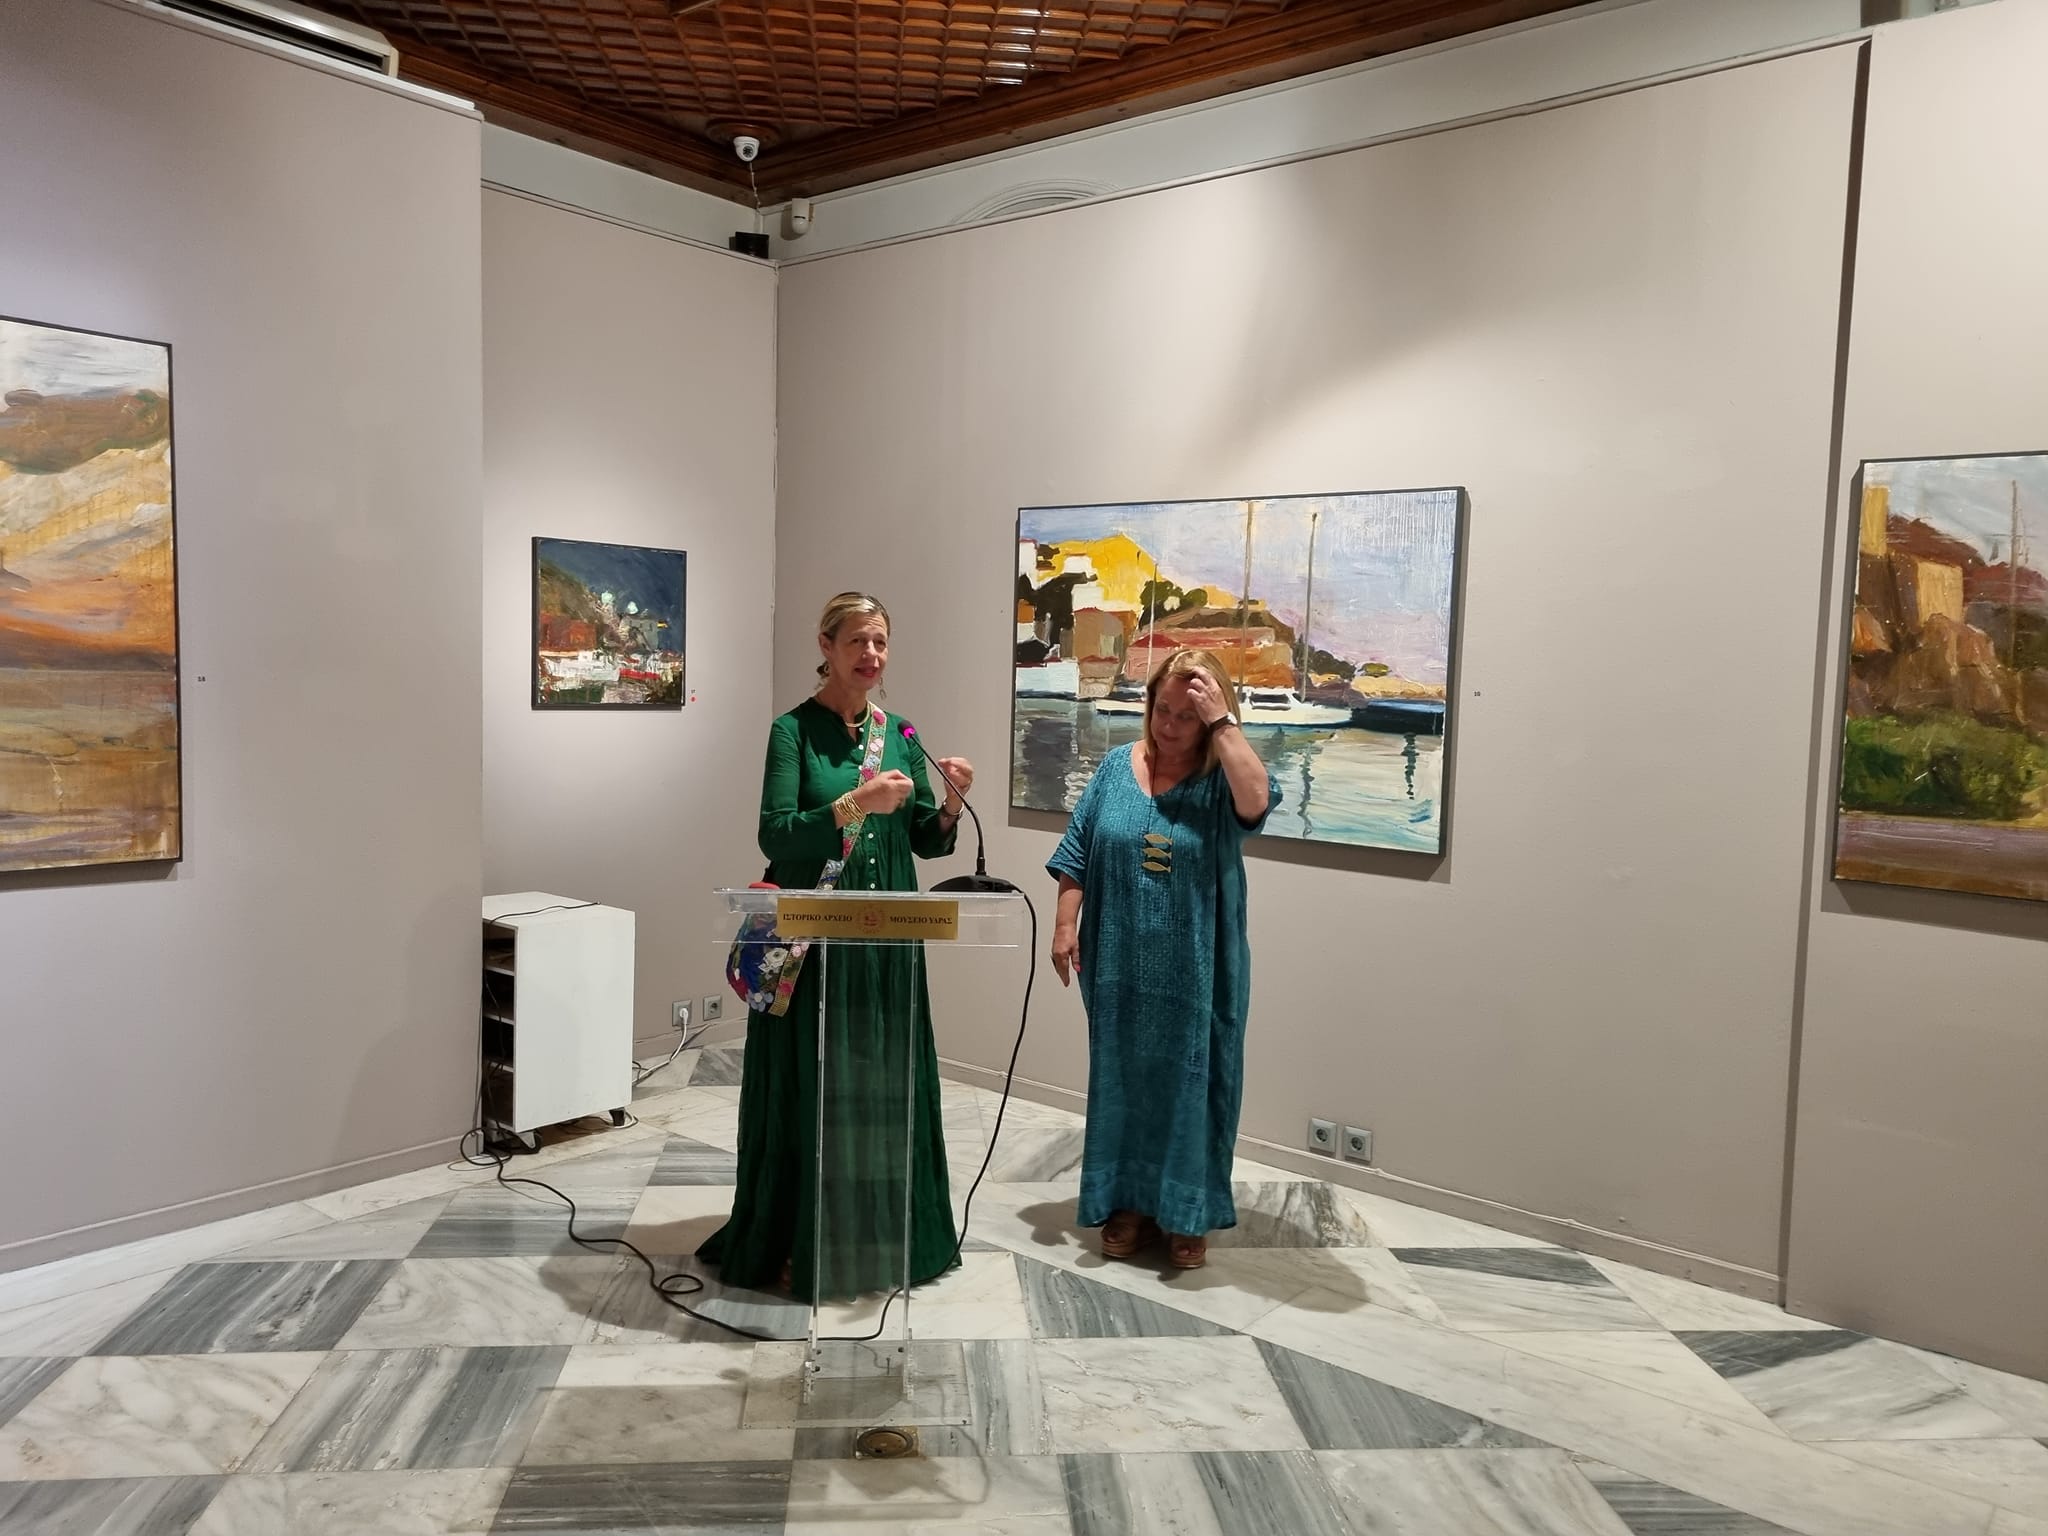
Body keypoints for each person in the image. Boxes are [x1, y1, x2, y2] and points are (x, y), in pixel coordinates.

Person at [699, 592, 975, 1299]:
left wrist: (948, 802)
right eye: (857, 641)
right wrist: (854, 803)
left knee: (880, 1082)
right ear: (825, 646)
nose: (871, 655)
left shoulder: (900, 734)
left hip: (887, 943)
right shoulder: (791, 732)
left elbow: (924, 839)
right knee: (814, 1081)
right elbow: (776, 832)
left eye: (880, 641)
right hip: (814, 939)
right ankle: (802, 1234)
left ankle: (883, 1230)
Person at [1046, 648, 1278, 1270]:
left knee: (1193, 1082)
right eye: (1162, 710)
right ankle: (1127, 1202)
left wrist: (1223, 723)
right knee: (1123, 1079)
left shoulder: (1223, 778)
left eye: (1187, 716)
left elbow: (1258, 802)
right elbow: (1076, 851)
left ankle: (1186, 1212)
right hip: (1117, 962)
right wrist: (1065, 925)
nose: (1170, 725)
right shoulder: (1115, 767)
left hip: (1198, 968)